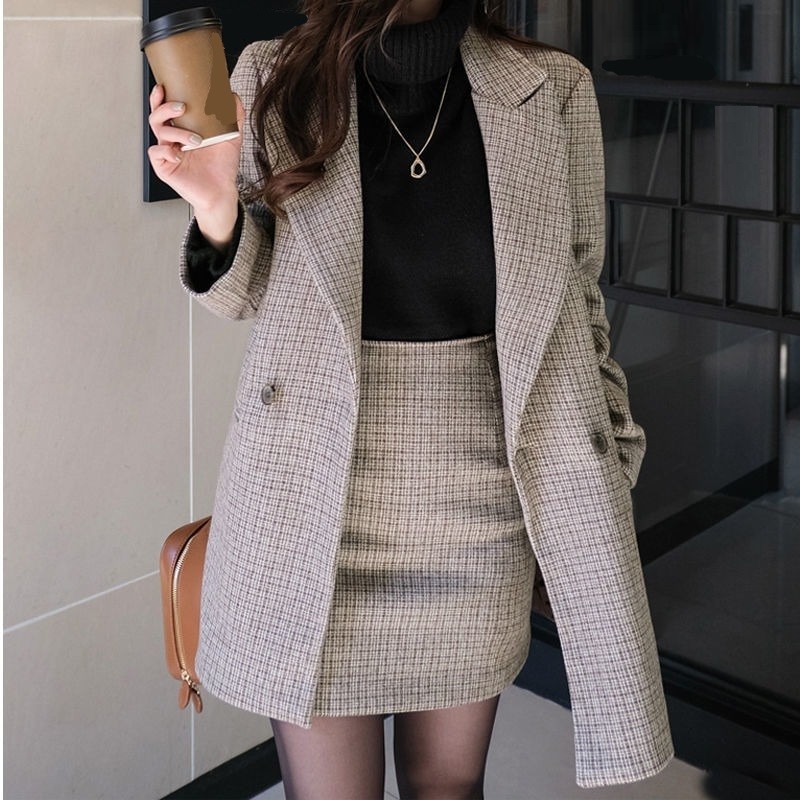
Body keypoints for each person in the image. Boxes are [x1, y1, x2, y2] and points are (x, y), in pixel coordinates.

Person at [147, 0, 674, 797]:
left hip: (482, 510)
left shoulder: (551, 86)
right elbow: (248, 292)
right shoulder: (274, 75)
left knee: (449, 788)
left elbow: (577, 299)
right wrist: (216, 206)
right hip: (313, 506)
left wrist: (613, 450)